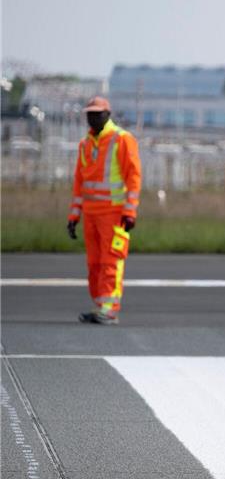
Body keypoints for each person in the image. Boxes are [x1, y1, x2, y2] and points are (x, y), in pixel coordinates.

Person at [67, 96, 141, 325]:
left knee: (111, 261)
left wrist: (130, 212)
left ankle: (109, 309)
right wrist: (74, 215)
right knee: (95, 263)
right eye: (90, 113)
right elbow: (80, 182)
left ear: (108, 115)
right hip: (91, 215)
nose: (92, 117)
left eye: (97, 113)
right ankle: (100, 305)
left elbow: (134, 177)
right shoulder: (85, 144)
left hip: (114, 215)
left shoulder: (122, 139)